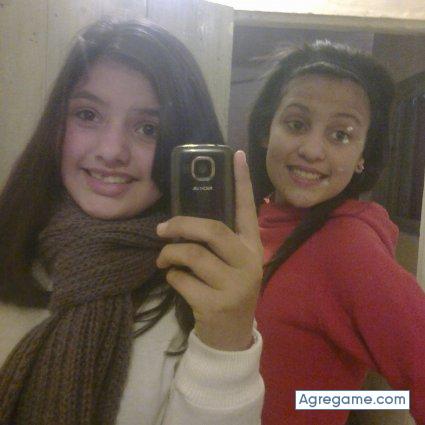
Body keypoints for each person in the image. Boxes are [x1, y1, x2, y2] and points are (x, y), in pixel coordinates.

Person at [0, 18, 264, 425]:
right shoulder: (11, 248)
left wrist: (227, 340)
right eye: (88, 114)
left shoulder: (201, 293)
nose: (111, 151)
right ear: (58, 124)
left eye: (147, 128)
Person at [248, 40, 425, 424]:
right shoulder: (254, 220)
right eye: (297, 124)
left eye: (341, 135)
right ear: (266, 130)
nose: (312, 150)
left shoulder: (348, 247)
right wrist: (320, 399)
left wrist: (329, 402)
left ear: (362, 157)